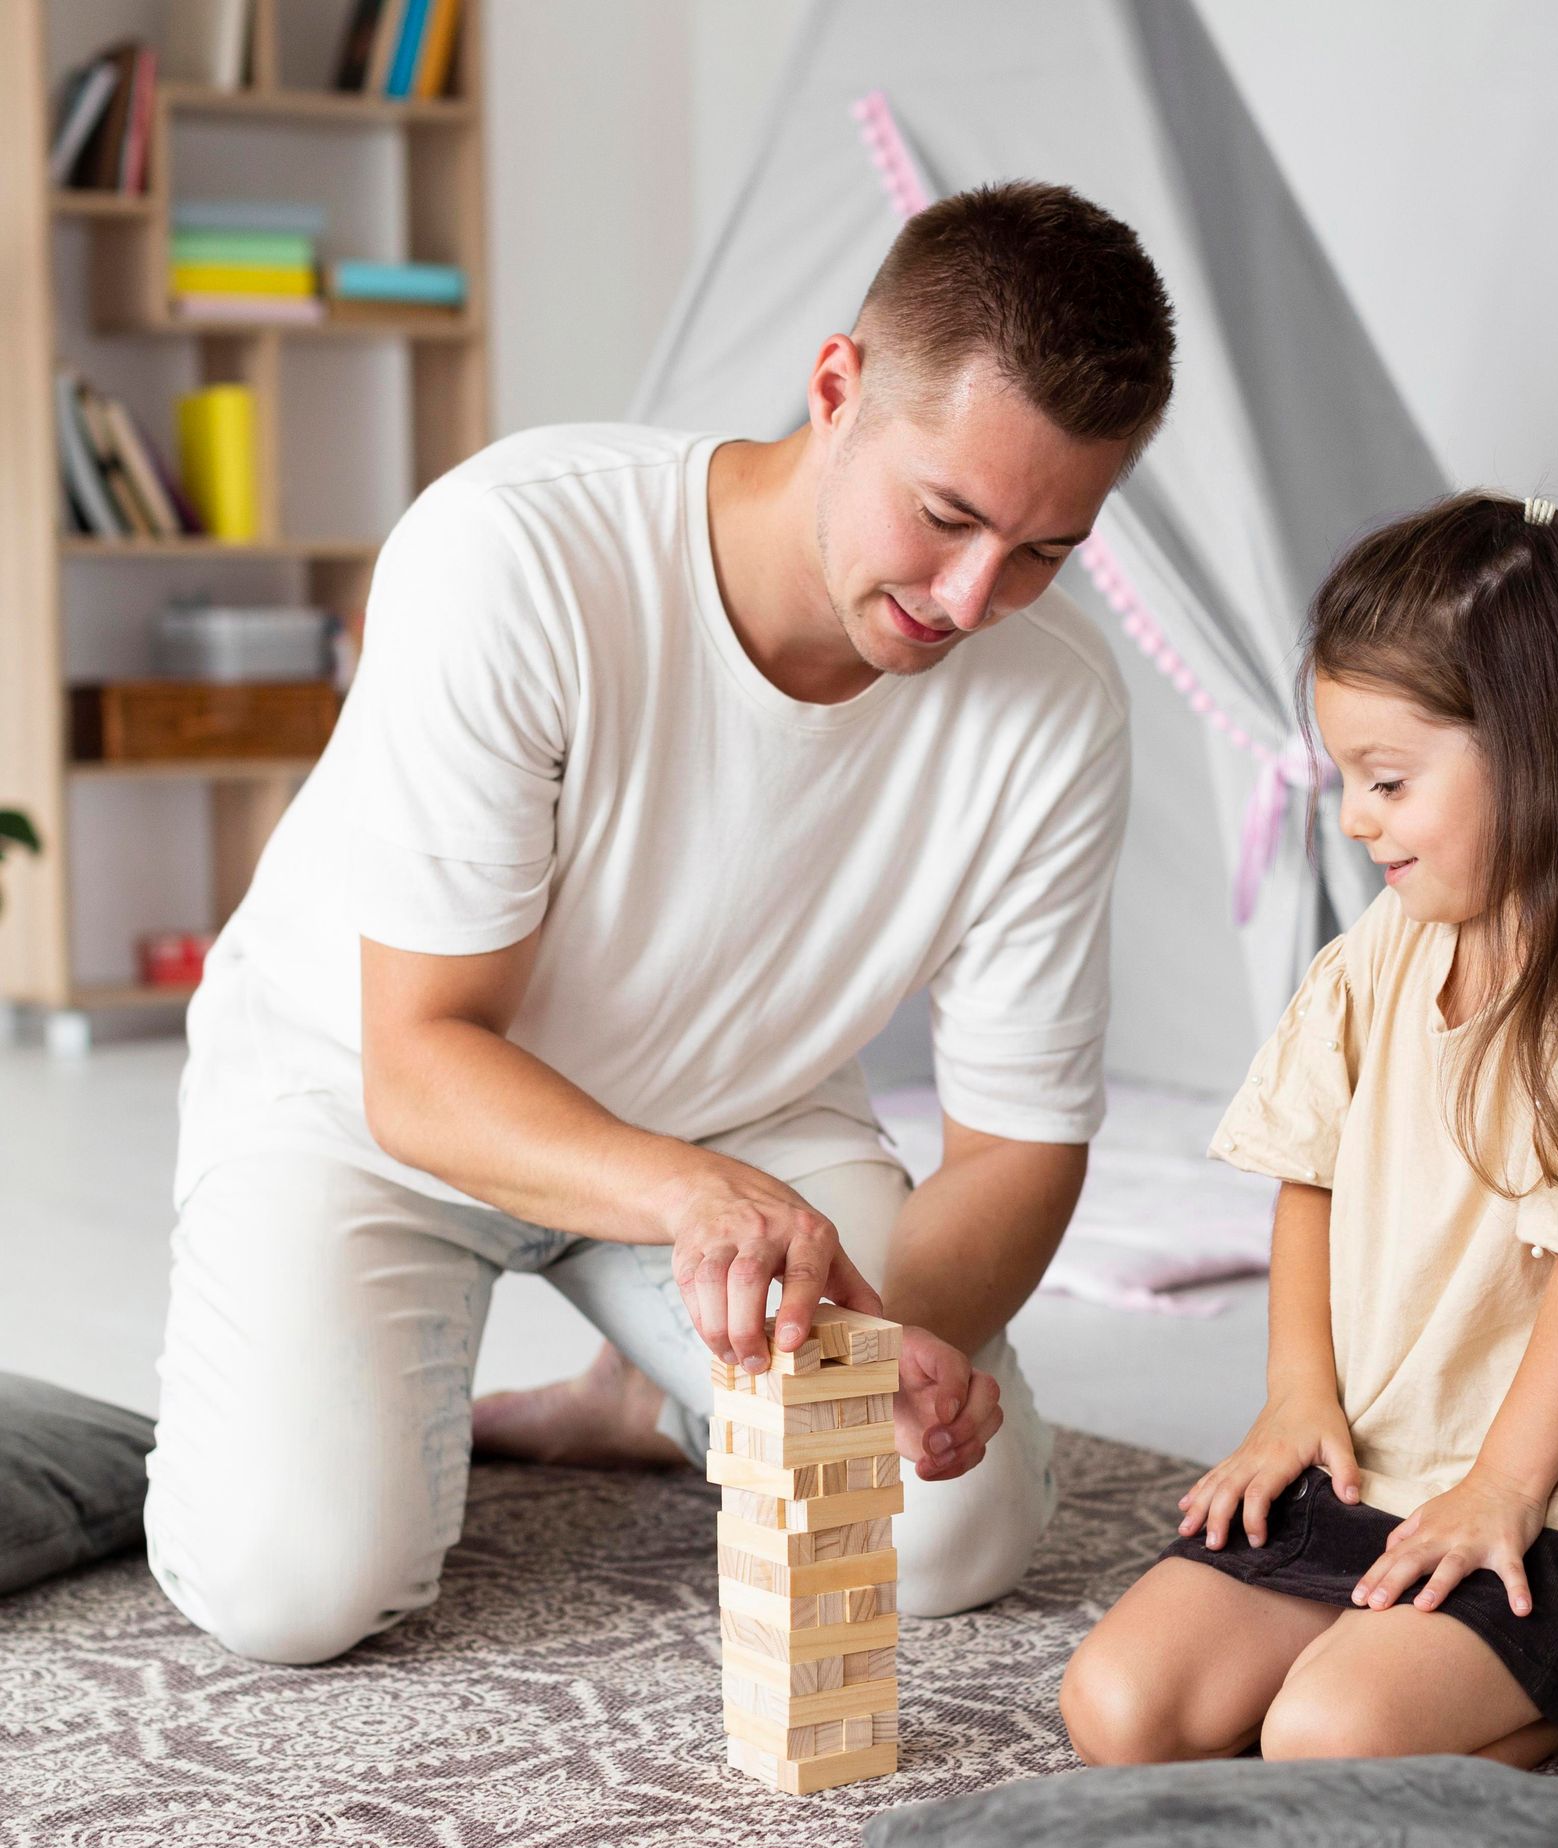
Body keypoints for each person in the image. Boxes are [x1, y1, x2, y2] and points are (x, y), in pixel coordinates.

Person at [144, 181, 1176, 1664]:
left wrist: (883, 1351)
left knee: (943, 1539)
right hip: (372, 1103)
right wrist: (690, 1202)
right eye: (946, 515)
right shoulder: (519, 554)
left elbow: (1021, 1144)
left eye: (1042, 551)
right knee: (295, 1589)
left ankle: (647, 1394)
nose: (970, 597)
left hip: (746, 1121)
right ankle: (542, 1373)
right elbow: (424, 1054)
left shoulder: (1060, 709)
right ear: (837, 387)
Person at [1060, 492, 1558, 1768]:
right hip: (1381, 1470)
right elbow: (1311, 1177)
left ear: (1548, 751)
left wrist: (1505, 1492)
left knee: (1325, 1744)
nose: (1356, 818)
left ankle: (1545, 1679)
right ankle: (1393, 1663)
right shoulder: (1382, 956)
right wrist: (1296, 1399)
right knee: (1123, 1710)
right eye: (1350, 777)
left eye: (1390, 781)